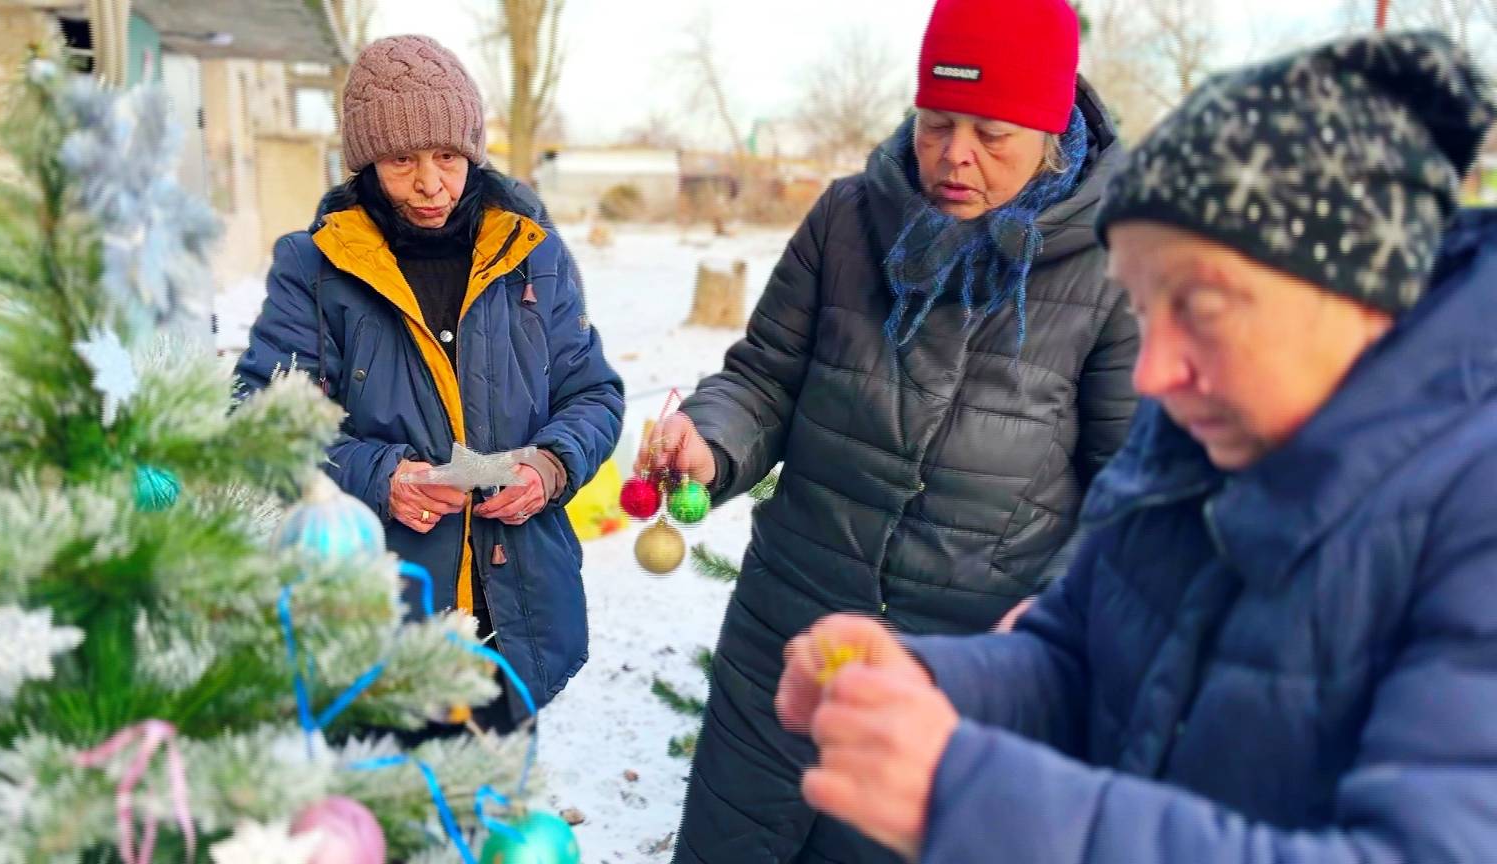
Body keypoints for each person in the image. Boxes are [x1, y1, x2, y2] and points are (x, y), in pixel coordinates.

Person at [776, 31, 1497, 863]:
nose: (1153, 372)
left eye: (1201, 305)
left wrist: (975, 799)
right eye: (1146, 309)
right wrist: (937, 681)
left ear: (1362, 290)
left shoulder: (1472, 516)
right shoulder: (1192, 437)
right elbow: (1082, 658)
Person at [646, 1, 1139, 860]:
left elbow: (1127, 488)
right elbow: (764, 378)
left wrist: (1047, 625)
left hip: (950, 675)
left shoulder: (1111, 268)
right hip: (786, 633)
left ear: (1053, 131)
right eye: (937, 122)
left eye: (992, 133)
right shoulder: (847, 220)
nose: (955, 154)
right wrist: (708, 439)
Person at [236, 35, 622, 732]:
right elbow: (263, 417)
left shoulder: (531, 251)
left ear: (472, 152)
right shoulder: (315, 268)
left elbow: (592, 393)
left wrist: (553, 464)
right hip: (379, 612)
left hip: (517, 610)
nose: (431, 183)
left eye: (447, 156)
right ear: (365, 163)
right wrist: (381, 477)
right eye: (401, 160)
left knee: (499, 820)